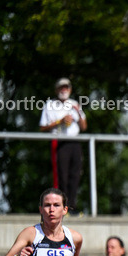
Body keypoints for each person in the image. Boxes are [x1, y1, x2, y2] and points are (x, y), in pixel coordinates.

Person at [39, 79, 88, 213]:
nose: (63, 90)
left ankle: (72, 207)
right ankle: (60, 207)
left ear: (70, 89)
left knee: (75, 175)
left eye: (66, 87)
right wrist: (60, 121)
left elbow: (84, 127)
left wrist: (78, 113)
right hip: (59, 142)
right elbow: (42, 127)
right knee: (61, 176)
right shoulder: (50, 105)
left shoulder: (74, 104)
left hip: (75, 142)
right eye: (61, 87)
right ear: (56, 90)